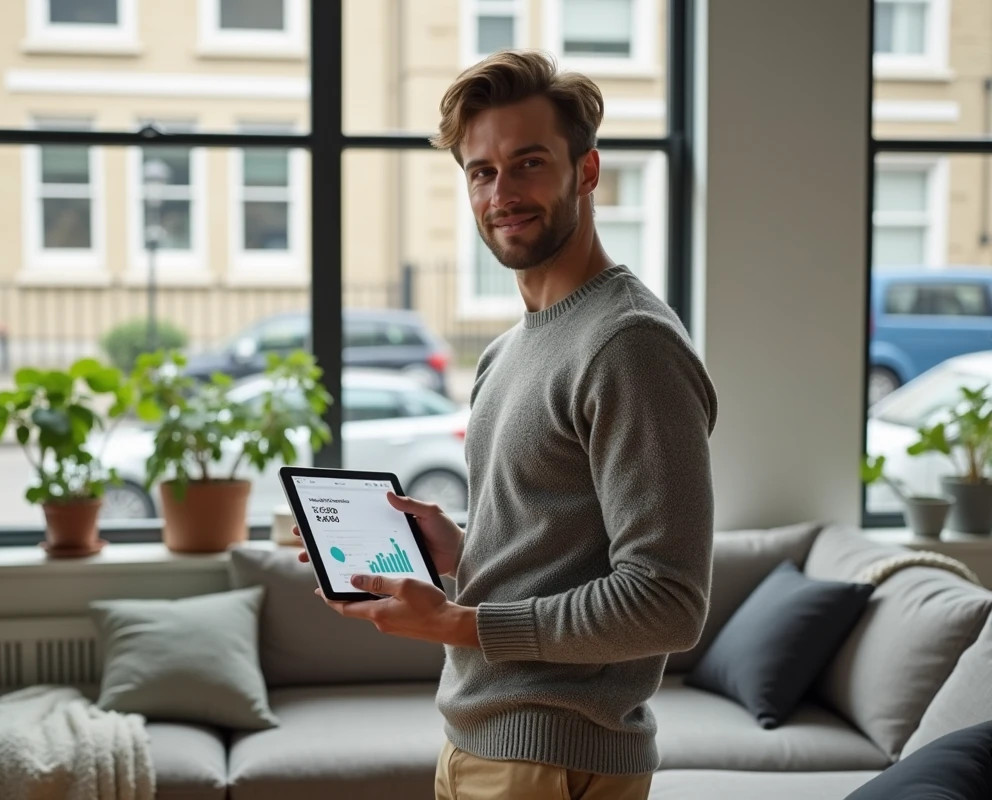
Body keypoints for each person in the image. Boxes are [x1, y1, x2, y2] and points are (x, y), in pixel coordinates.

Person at [294, 49, 717, 800]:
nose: (502, 193)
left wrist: (458, 624)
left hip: (554, 757)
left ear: (586, 173)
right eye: (481, 172)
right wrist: (454, 548)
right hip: (478, 741)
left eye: (528, 164)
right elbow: (552, 547)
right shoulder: (508, 350)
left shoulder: (630, 344)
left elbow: (666, 602)